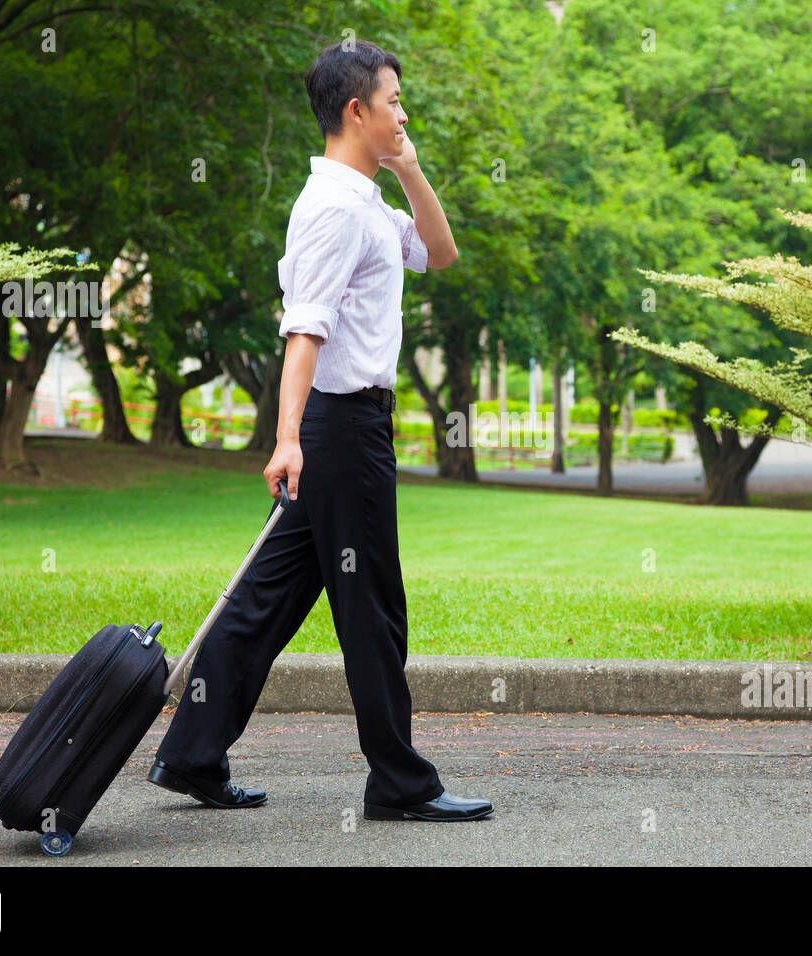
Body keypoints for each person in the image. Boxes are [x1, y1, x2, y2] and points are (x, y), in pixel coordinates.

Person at [147, 40, 493, 823]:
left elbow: (441, 253)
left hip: (341, 429)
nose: (404, 113)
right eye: (395, 100)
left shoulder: (363, 200)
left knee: (263, 601)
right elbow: (303, 332)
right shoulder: (334, 210)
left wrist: (408, 167)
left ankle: (192, 754)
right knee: (372, 608)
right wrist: (289, 438)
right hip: (340, 433)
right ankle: (401, 785)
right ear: (356, 110)